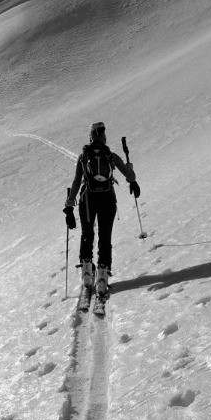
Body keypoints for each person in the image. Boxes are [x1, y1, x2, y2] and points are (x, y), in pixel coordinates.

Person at [63, 122, 140, 300]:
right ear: (103, 136)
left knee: (87, 235)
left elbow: (76, 182)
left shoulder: (84, 157)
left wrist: (69, 206)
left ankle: (87, 275)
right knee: (105, 238)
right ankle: (103, 278)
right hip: (107, 199)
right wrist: (131, 172)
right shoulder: (110, 156)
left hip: (88, 200)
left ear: (91, 136)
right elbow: (130, 177)